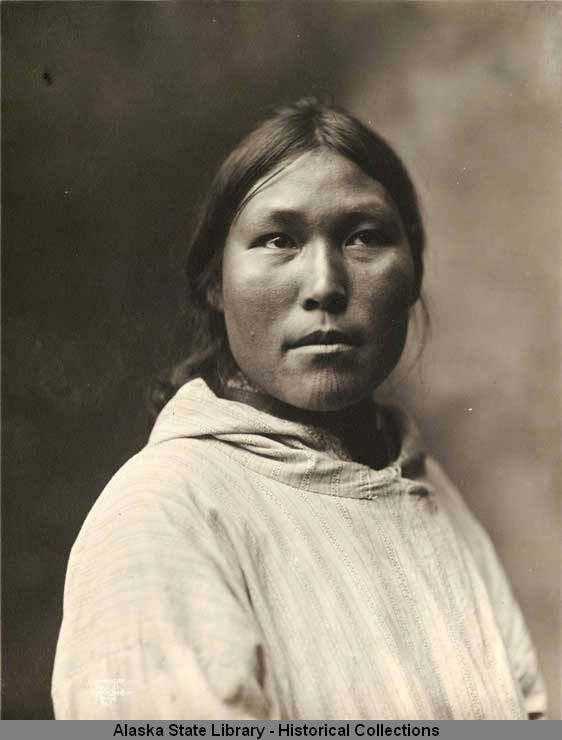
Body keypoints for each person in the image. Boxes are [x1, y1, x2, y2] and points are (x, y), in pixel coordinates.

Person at [51, 98, 546, 720]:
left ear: (414, 270)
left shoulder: (426, 491)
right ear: (215, 282)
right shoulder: (164, 514)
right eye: (279, 240)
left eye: (363, 237)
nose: (324, 286)